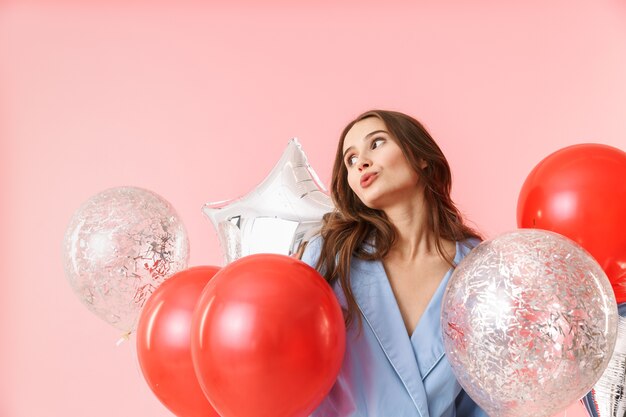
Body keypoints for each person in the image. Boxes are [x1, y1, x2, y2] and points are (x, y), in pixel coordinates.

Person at [299, 110, 488, 417]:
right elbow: (285, 365)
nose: (361, 162)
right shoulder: (331, 255)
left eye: (376, 143)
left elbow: (483, 399)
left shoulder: (478, 268)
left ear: (421, 157)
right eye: (350, 159)